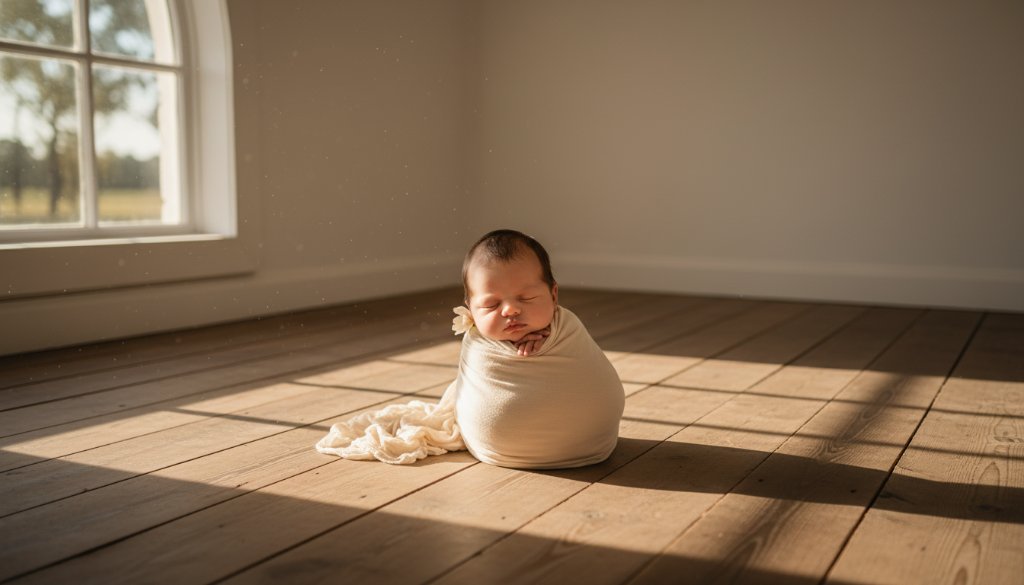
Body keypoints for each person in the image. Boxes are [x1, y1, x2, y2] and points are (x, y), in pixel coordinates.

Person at [316, 229, 625, 468]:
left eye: (527, 298)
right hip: (503, 450)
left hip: (591, 445)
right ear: (471, 309)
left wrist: (551, 337)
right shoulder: (478, 342)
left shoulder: (567, 329)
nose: (510, 310)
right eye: (491, 305)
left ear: (554, 295)